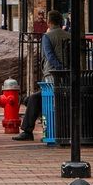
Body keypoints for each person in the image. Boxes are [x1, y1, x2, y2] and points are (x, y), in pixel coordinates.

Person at [13, 9, 70, 141]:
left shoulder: (47, 36)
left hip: (52, 75)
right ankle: (28, 129)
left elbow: (49, 56)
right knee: (32, 99)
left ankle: (28, 131)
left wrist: (59, 69)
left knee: (35, 99)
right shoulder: (68, 35)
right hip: (67, 76)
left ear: (49, 22)